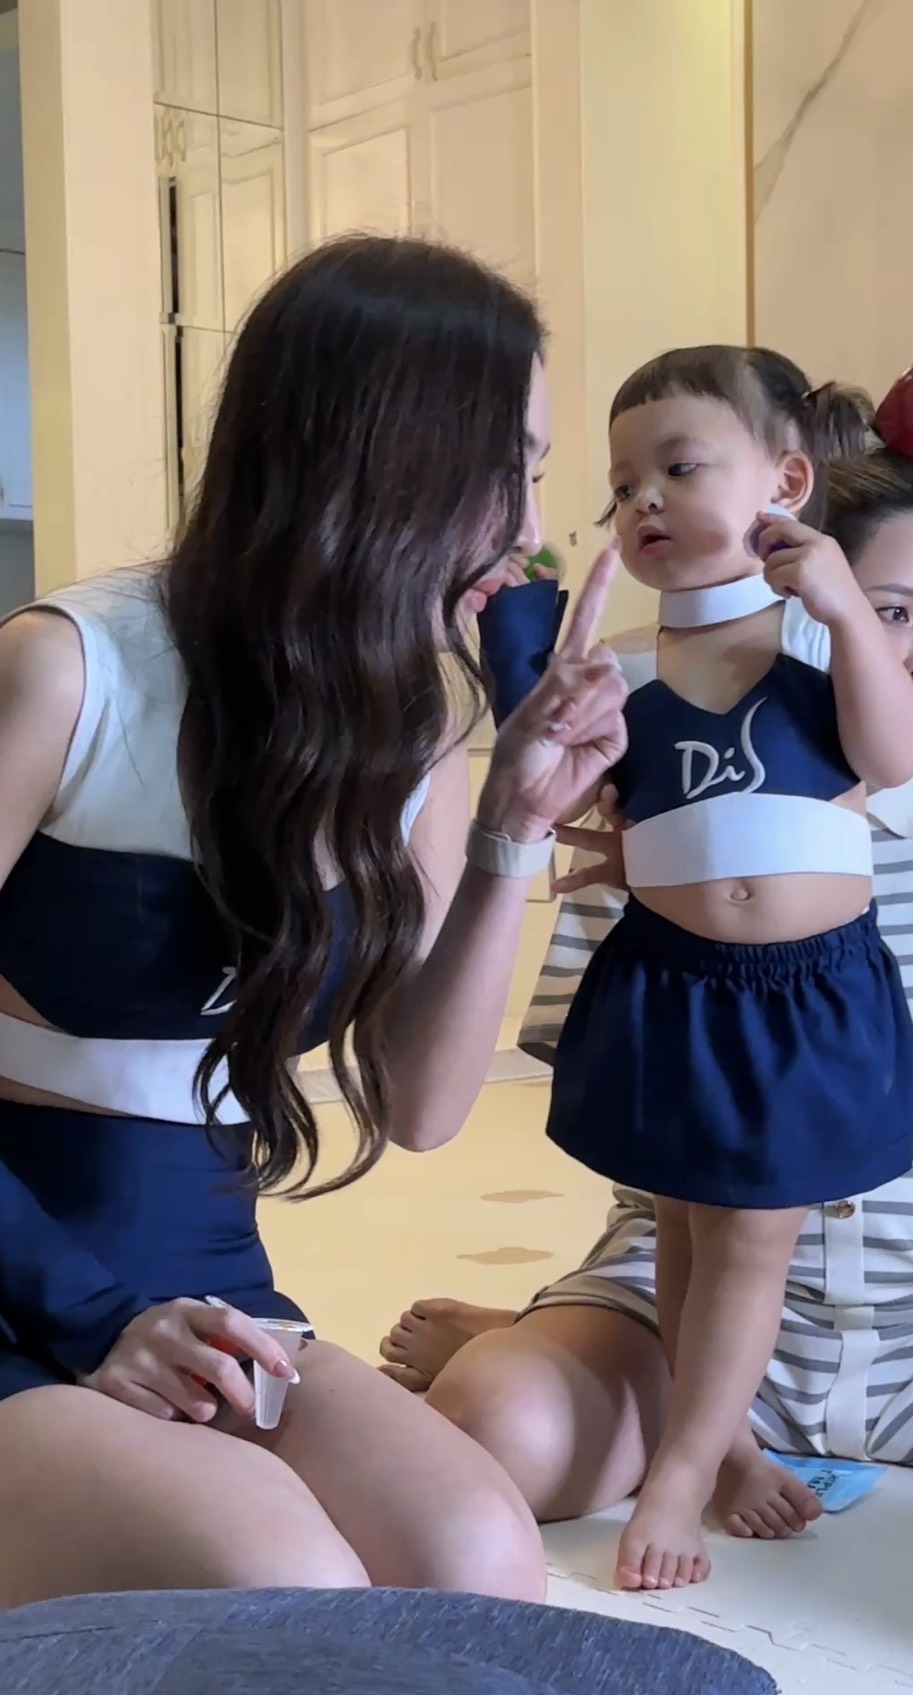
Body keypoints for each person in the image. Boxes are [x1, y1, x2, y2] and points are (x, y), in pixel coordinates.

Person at [0, 233, 629, 1607]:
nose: (528, 529)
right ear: (384, 460)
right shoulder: (67, 670)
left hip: (203, 1279)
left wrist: (513, 826)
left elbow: (424, 1105)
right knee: (280, 1578)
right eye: (507, 470)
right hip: (19, 1273)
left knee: (479, 1561)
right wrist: (92, 1319)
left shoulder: (418, 734)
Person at [382, 430, 913, 1584]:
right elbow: (641, 1132)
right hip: (679, 1305)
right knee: (493, 1429)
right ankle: (573, 1361)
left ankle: (522, 1332)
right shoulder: (657, 822)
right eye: (890, 612)